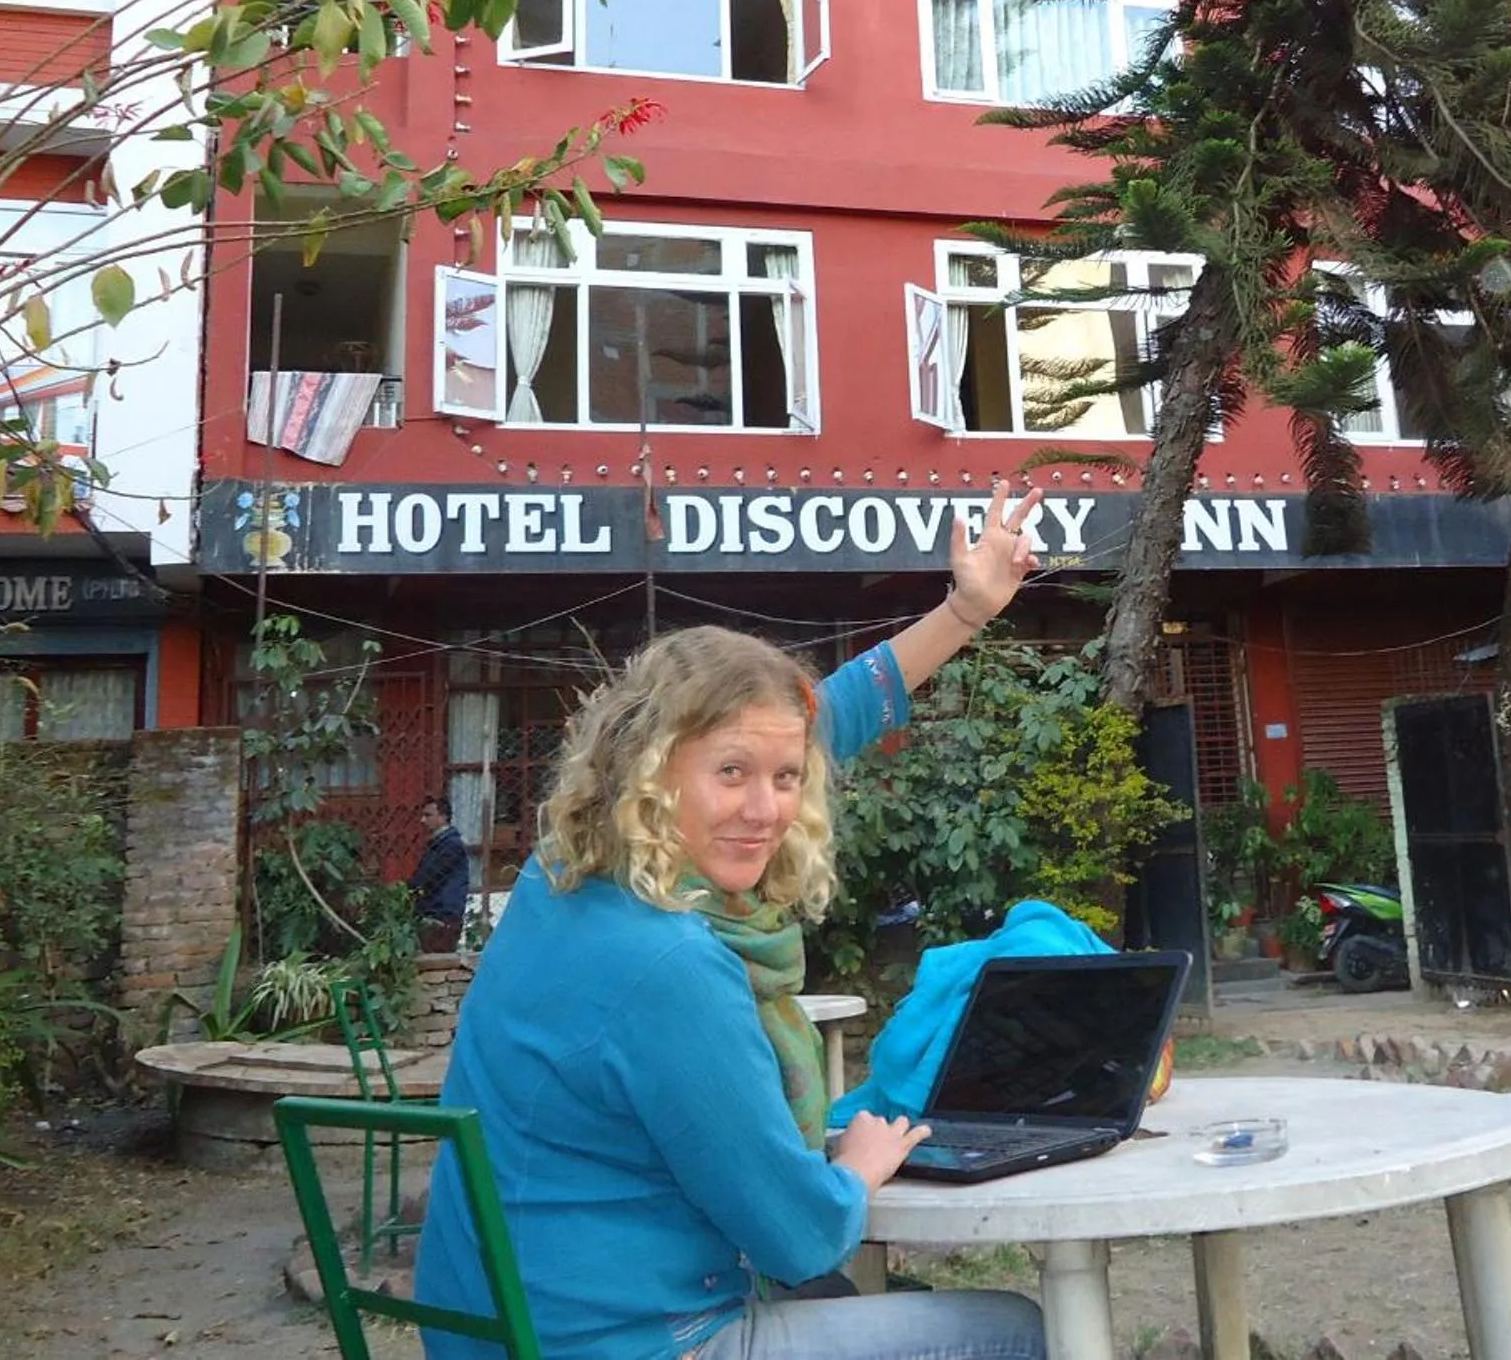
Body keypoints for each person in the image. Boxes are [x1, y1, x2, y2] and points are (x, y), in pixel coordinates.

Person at [415, 486, 1048, 1360]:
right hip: (620, 1343)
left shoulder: (558, 875)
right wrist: (855, 1171)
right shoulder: (671, 961)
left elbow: (821, 717)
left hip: (499, 1332)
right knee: (1009, 1328)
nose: (765, 808)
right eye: (731, 772)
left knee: (836, 1297)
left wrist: (965, 609)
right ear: (650, 770)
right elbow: (799, 1234)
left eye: (785, 777)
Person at [405, 794, 471, 951]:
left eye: (428, 815)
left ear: (443, 816)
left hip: (442, 915)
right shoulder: (439, 843)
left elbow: (428, 876)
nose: (423, 820)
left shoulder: (450, 845)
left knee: (437, 961)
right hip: (437, 913)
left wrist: (408, 890)